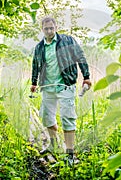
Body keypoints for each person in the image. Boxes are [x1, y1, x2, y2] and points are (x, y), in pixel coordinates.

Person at [30, 17, 91, 164]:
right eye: (46, 29)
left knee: (67, 117)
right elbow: (36, 65)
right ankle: (53, 143)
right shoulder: (39, 47)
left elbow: (80, 57)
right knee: (46, 116)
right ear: (42, 29)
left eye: (52, 28)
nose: (49, 31)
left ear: (56, 27)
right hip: (47, 86)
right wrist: (33, 82)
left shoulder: (68, 41)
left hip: (66, 84)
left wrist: (86, 76)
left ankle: (70, 154)